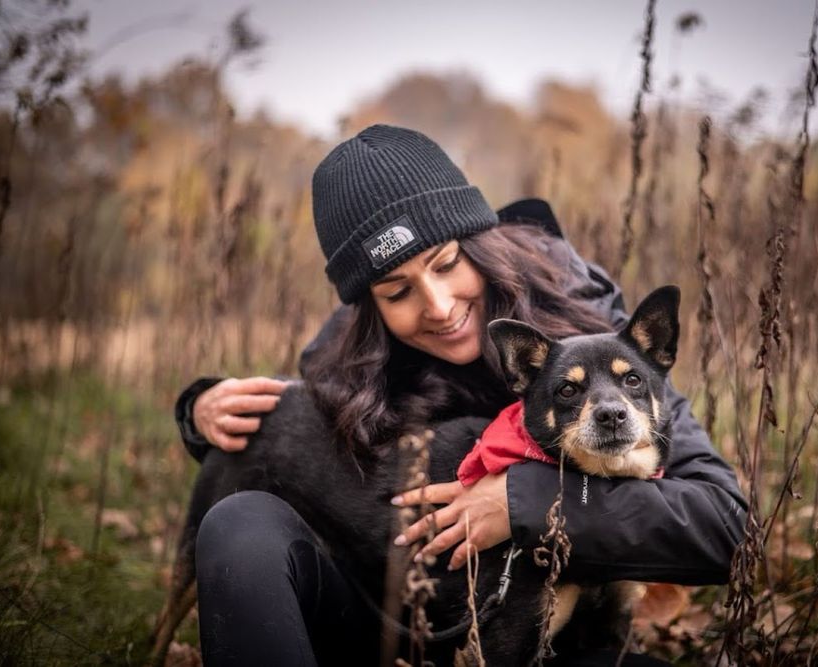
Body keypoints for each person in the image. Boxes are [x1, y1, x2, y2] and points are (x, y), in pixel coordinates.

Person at [175, 124, 746, 666]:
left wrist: (530, 501)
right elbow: (293, 448)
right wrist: (200, 410)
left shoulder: (597, 338)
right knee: (239, 525)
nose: (439, 306)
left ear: (480, 244)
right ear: (369, 308)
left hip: (555, 640)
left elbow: (725, 528)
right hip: (377, 626)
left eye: (446, 263)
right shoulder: (350, 362)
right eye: (397, 292)